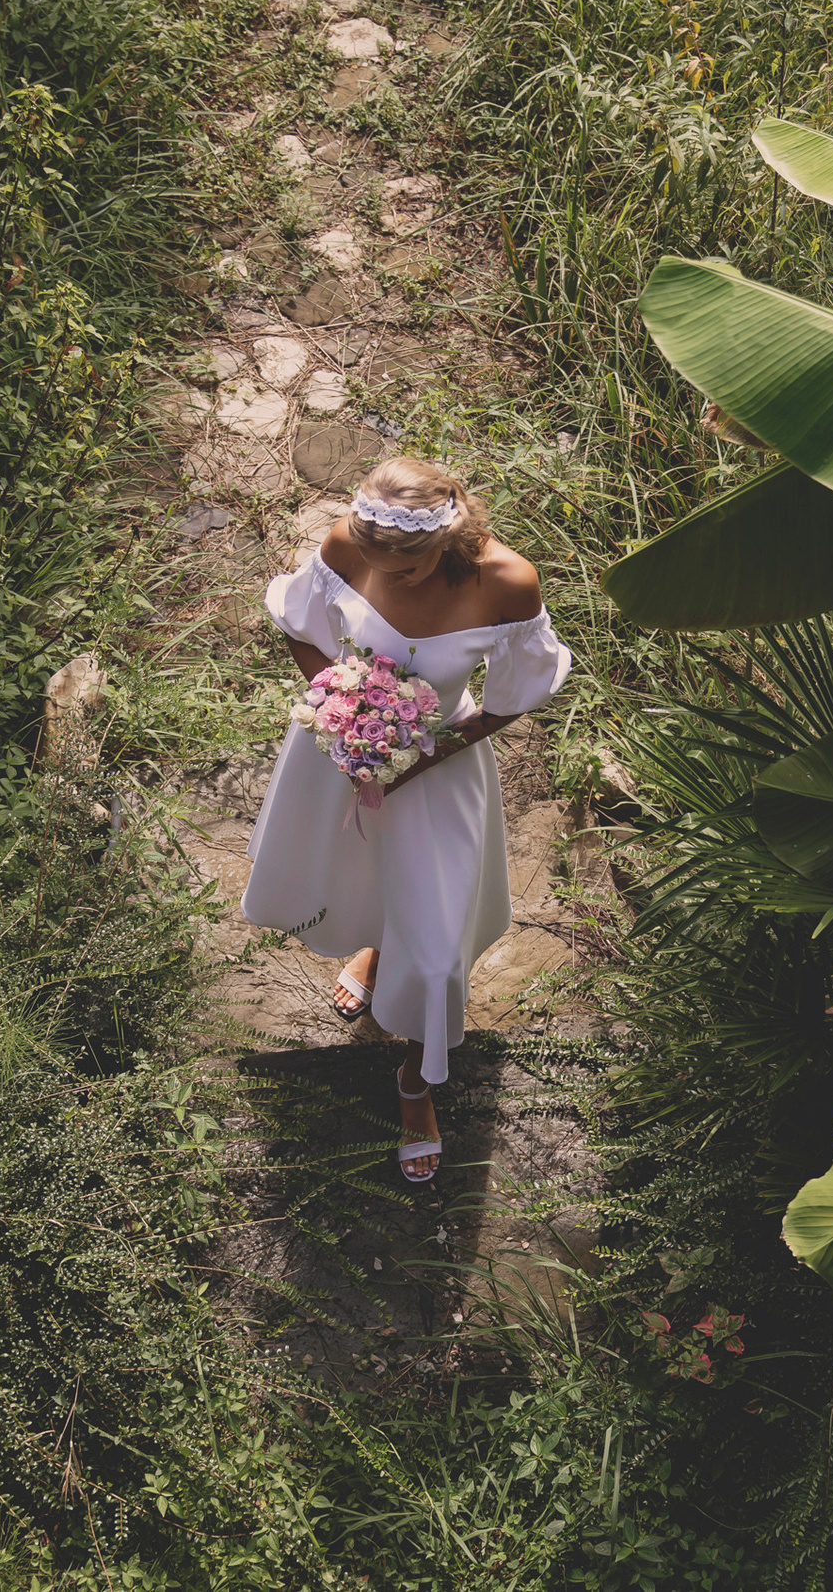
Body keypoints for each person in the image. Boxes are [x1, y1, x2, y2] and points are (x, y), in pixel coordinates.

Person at [241, 456, 572, 1182]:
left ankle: (416, 1083)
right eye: (374, 562)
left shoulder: (507, 581)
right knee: (354, 874)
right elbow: (298, 627)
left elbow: (513, 696)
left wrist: (423, 756)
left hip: (439, 762)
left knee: (435, 950)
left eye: (406, 570)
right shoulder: (349, 544)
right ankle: (372, 950)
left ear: (447, 543)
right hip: (344, 747)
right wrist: (346, 706)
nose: (386, 576)